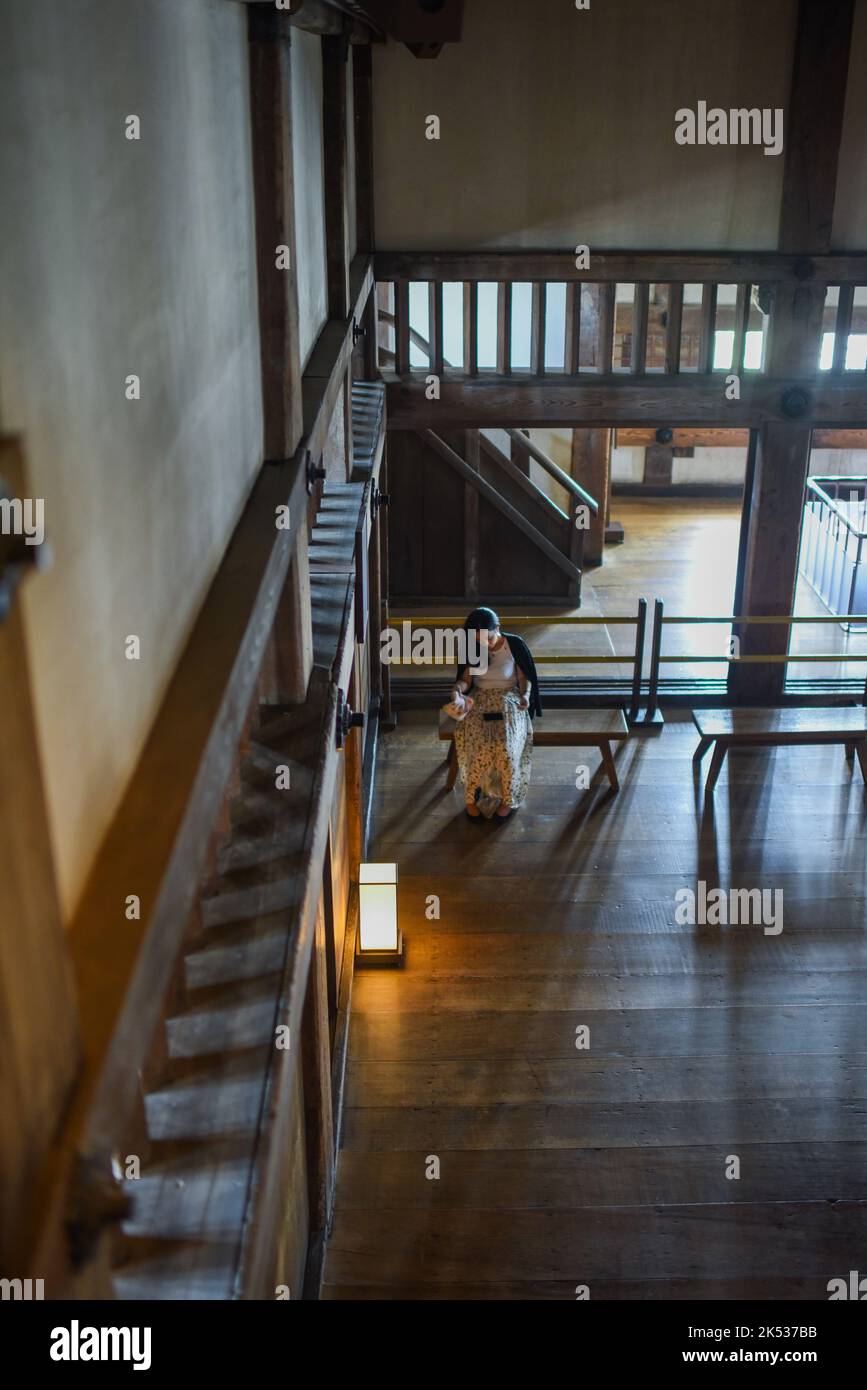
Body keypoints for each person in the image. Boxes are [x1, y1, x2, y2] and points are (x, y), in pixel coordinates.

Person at [448, 607, 541, 821]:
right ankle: (471, 797)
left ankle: (508, 799)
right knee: (479, 746)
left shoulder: (513, 645)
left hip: (509, 699)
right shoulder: (473, 648)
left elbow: (524, 678)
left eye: (488, 639)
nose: (485, 645)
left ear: (498, 628)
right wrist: (458, 690)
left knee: (506, 749)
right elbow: (467, 679)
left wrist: (526, 695)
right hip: (480, 699)